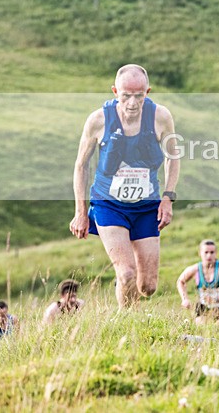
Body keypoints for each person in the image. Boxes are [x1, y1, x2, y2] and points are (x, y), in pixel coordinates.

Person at [69, 64, 180, 309]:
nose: (132, 102)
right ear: (114, 91)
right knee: (127, 273)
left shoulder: (161, 117)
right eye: (125, 95)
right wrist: (80, 212)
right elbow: (81, 166)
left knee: (148, 286)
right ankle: (125, 321)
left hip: (146, 205)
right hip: (109, 205)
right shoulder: (98, 120)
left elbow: (174, 157)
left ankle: (126, 294)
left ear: (147, 92)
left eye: (139, 96)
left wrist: (167, 198)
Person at [177, 239, 219, 324]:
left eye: (212, 252)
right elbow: (180, 281)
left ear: (216, 253)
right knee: (200, 328)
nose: (209, 255)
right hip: (203, 307)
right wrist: (185, 299)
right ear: (200, 253)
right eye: (206, 252)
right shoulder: (195, 269)